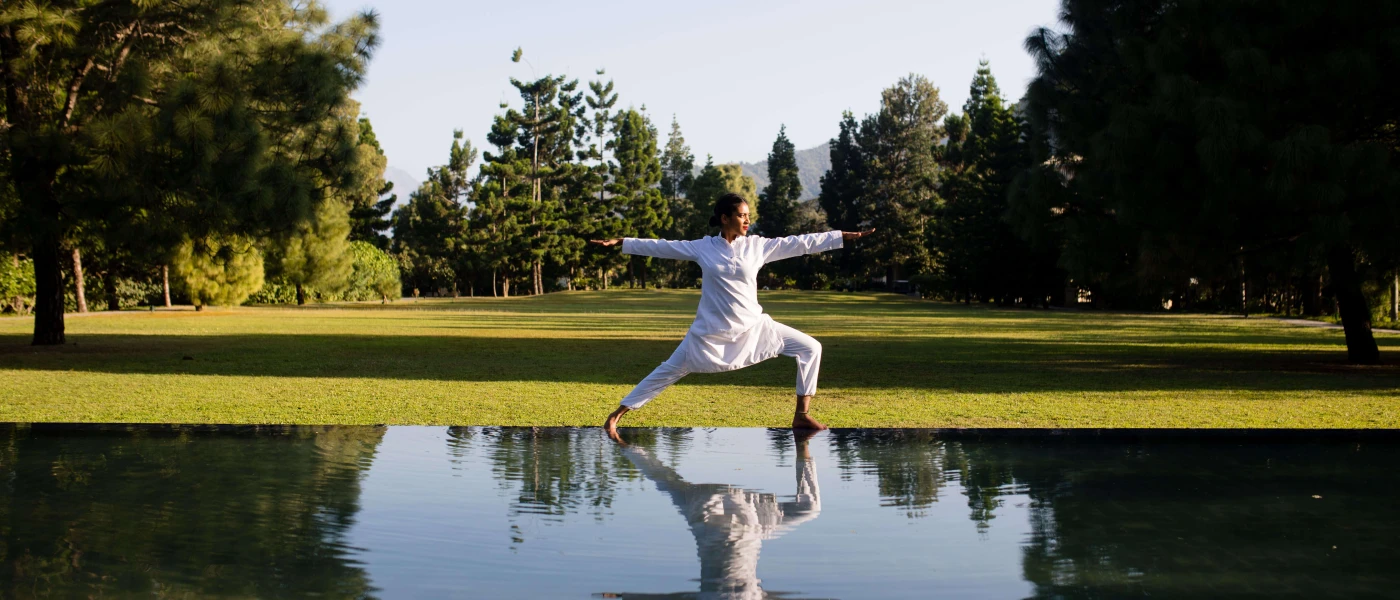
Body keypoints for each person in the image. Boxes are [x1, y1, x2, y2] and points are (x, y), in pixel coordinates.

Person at [590, 192, 872, 438]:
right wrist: (622, 241)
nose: (747, 221)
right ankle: (616, 415)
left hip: (755, 328)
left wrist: (840, 237)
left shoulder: (758, 246)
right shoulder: (703, 247)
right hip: (709, 333)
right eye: (741, 215)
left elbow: (800, 243)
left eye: (749, 216)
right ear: (724, 218)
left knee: (811, 347)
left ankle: (801, 414)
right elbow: (661, 246)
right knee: (667, 371)